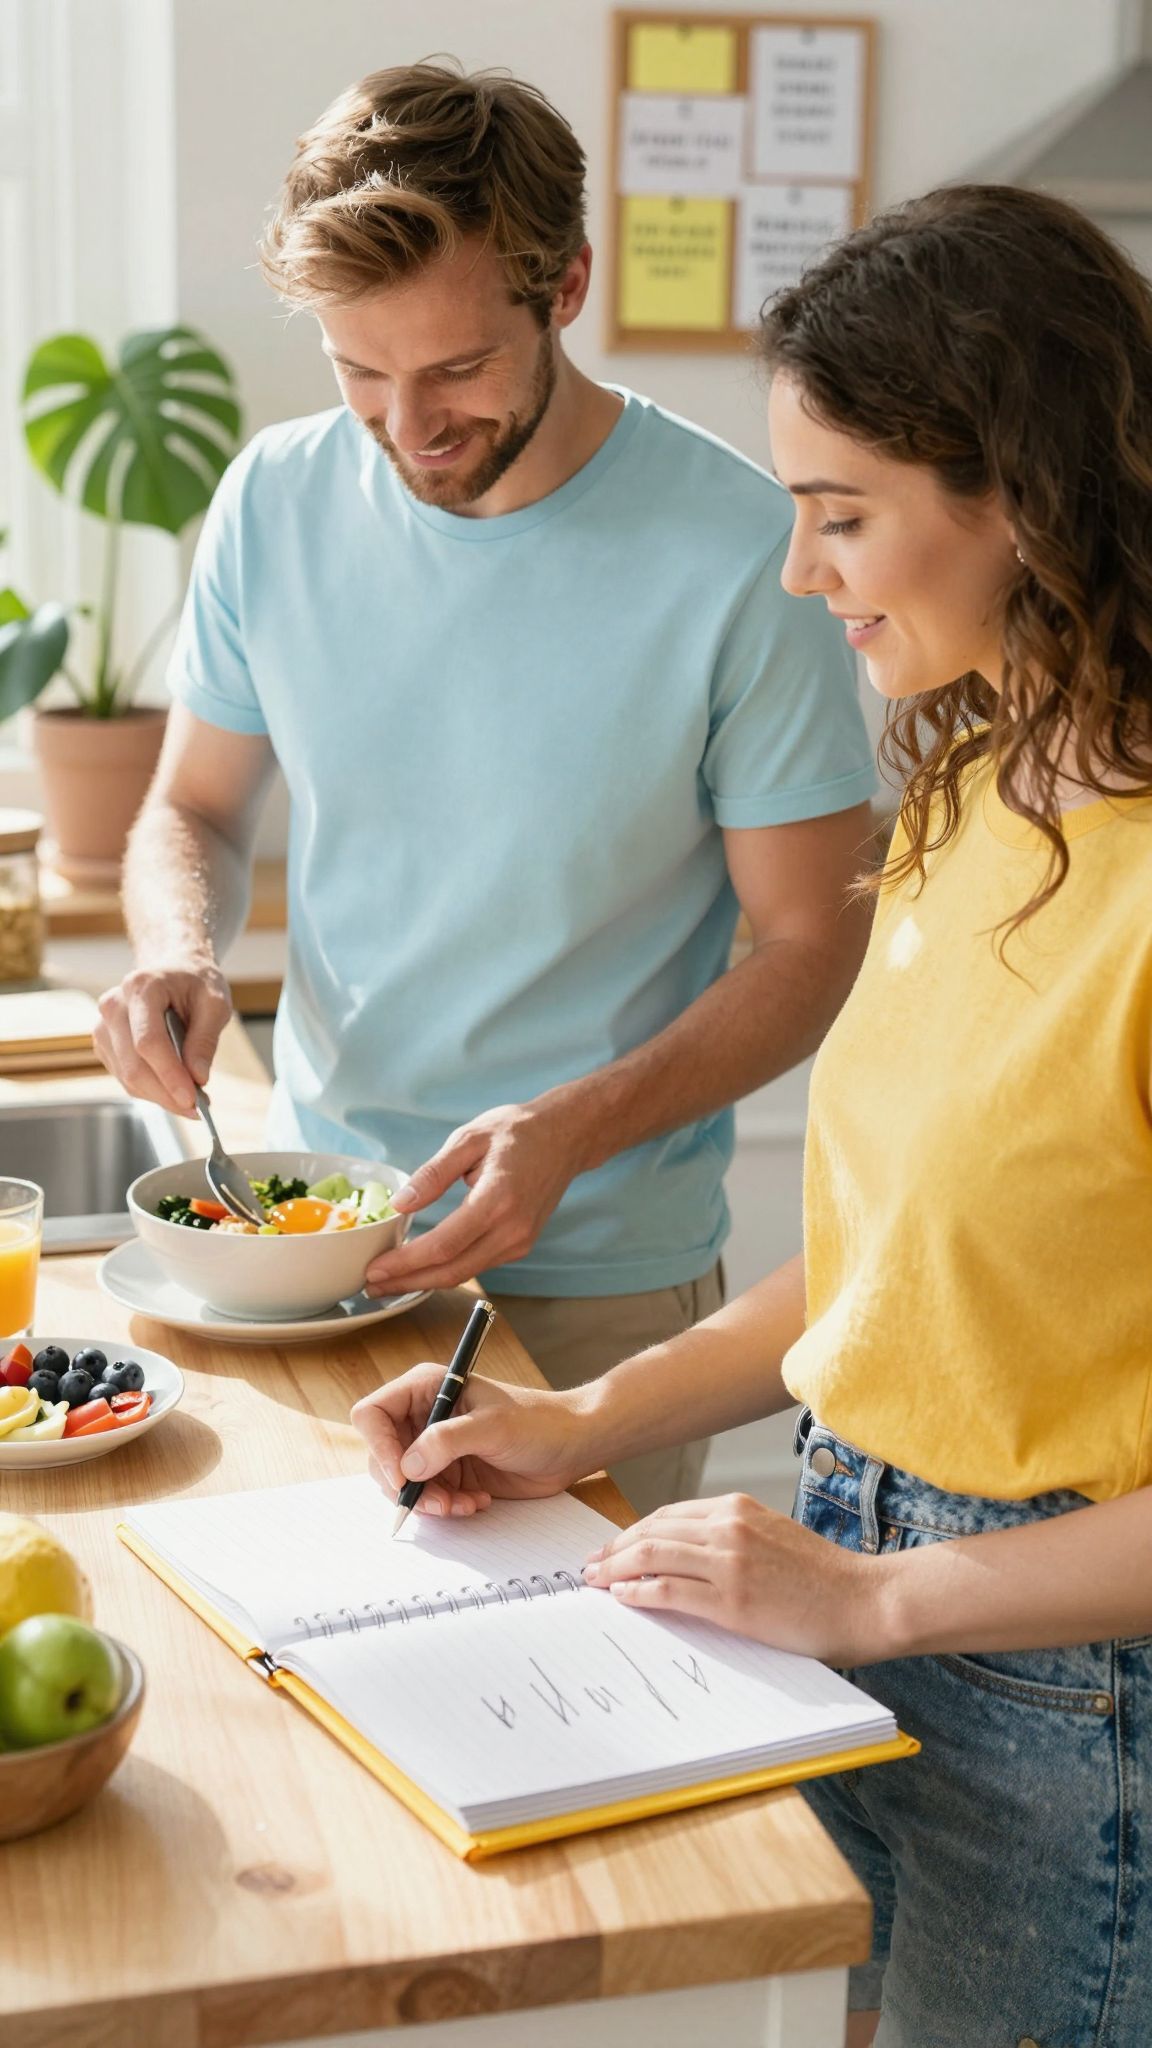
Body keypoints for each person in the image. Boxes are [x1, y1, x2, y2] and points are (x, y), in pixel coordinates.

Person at [351, 184, 1152, 2047]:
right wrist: (576, 1423)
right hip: (851, 1586)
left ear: (1020, 498)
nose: (803, 578)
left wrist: (873, 1604)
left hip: (1061, 1685)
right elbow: (889, 1268)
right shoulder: (971, 799)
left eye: (843, 517)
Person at [94, 63, 875, 1515]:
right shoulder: (275, 499)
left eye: (454, 370)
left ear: (565, 286)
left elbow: (815, 945)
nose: (407, 425)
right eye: (359, 371)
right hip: (309, 1244)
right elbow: (190, 808)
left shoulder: (743, 556)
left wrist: (568, 1126)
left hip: (599, 1292)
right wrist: (175, 954)